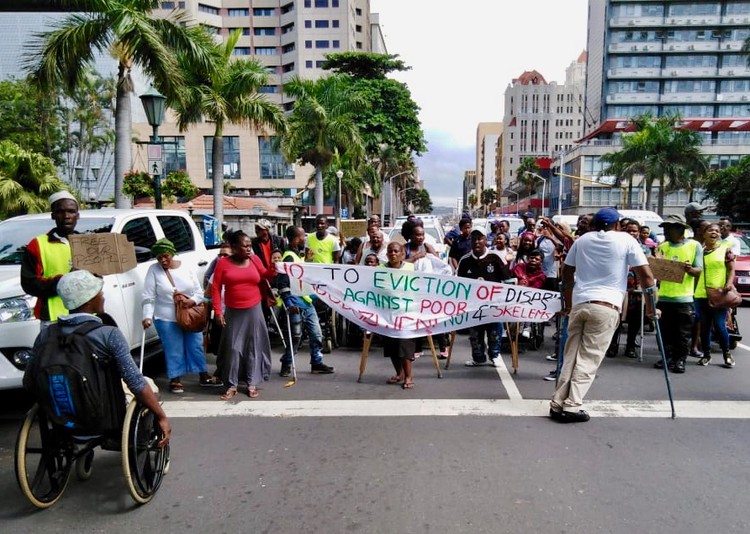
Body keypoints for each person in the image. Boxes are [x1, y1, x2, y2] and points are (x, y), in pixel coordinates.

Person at [36, 269, 170, 446]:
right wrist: (161, 416)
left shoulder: (46, 334)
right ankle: (140, 443)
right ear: (90, 300)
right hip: (101, 413)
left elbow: (29, 379)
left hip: (59, 412)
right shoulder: (108, 334)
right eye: (100, 293)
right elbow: (135, 381)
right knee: (148, 384)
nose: (103, 296)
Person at [549, 208, 656, 423]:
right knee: (588, 358)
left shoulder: (582, 240)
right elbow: (646, 275)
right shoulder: (626, 240)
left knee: (571, 355)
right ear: (617, 225)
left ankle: (558, 402)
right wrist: (652, 306)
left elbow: (567, 273)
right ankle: (572, 405)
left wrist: (569, 304)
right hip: (606, 306)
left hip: (580, 304)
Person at [142, 239, 221, 393]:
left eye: (165, 256)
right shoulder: (153, 270)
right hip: (166, 317)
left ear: (172, 253)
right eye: (159, 258)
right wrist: (147, 316)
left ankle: (203, 374)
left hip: (190, 314)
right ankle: (175, 378)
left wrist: (192, 301)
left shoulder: (186, 267)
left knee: (195, 345)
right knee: (173, 348)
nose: (163, 260)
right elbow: (148, 296)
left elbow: (199, 292)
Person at [212, 230, 276, 399]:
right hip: (233, 311)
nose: (249, 249)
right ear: (233, 248)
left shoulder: (254, 259)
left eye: (249, 245)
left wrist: (274, 268)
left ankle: (251, 382)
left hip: (254, 309)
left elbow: (265, 275)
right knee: (233, 348)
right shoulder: (223, 263)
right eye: (245, 246)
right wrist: (218, 311)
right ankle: (231, 384)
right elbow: (216, 288)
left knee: (254, 346)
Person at [276, 226, 335, 376]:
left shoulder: (297, 256)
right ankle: (287, 363)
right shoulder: (289, 257)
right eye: (303, 237)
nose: (305, 240)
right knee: (295, 337)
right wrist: (289, 304)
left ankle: (316, 363)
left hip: (307, 303)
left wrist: (308, 260)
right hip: (296, 304)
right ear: (296, 239)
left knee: (316, 334)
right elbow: (282, 283)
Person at [21, 190, 80, 325]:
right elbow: (29, 283)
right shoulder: (37, 244)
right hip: (53, 318)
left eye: (71, 211)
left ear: (78, 215)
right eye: (60, 211)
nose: (66, 216)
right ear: (53, 215)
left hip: (85, 316)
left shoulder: (88, 243)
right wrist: (65, 281)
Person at [654, 214, 702, 374]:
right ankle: (666, 357)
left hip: (684, 299)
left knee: (682, 334)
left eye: (669, 228)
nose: (666, 231)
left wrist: (689, 269)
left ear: (680, 229)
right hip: (664, 297)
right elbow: (657, 274)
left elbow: (699, 271)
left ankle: (680, 360)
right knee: (664, 331)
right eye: (665, 228)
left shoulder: (694, 246)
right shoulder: (662, 247)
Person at [457, 227, 512, 367]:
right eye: (474, 239)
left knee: (495, 331)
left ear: (485, 240)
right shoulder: (464, 261)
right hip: (474, 306)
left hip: (493, 304)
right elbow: (460, 285)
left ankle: (495, 355)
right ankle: (478, 358)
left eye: (480, 239)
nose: (477, 242)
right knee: (475, 334)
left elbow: (507, 280)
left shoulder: (495, 258)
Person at [694, 223, 736, 368]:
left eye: (717, 231)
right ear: (704, 234)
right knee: (704, 326)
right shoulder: (699, 251)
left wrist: (728, 284)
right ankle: (706, 355)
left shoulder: (726, 250)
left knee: (719, 325)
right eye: (710, 230)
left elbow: (731, 270)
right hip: (700, 294)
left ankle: (727, 353)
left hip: (719, 294)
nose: (714, 233)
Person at [380, 241, 418, 389]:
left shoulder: (410, 268)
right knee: (391, 345)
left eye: (396, 251)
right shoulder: (380, 270)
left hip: (407, 313)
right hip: (387, 314)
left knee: (404, 345)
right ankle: (399, 373)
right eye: (390, 251)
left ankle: (408, 376)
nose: (393, 254)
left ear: (402, 254)